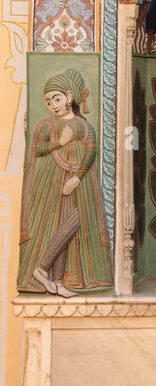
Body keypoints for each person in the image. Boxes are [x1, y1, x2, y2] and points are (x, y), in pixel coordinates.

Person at [17, 70, 112, 296]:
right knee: (60, 225)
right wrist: (59, 143)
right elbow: (37, 150)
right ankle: (47, 275)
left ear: (69, 97)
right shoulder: (47, 124)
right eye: (48, 102)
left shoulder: (84, 125)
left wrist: (77, 179)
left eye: (57, 99)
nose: (53, 105)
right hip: (52, 180)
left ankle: (50, 275)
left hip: (79, 182)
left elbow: (91, 152)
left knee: (73, 223)